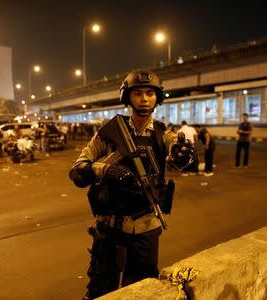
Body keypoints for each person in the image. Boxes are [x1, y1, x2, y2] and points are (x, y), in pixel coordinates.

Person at [69, 70, 175, 299]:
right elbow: (77, 171)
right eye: (138, 93)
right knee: (99, 290)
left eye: (150, 93)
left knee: (142, 290)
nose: (144, 99)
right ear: (127, 97)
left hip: (146, 228)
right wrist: (107, 169)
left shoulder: (162, 134)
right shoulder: (109, 132)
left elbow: (177, 150)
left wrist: (184, 154)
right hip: (110, 228)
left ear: (158, 98)